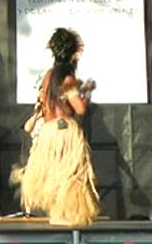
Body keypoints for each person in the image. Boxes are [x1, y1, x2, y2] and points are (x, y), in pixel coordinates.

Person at [16, 27, 100, 226]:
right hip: (65, 133)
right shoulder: (67, 78)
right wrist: (88, 92)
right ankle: (67, 218)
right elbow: (80, 109)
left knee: (54, 176)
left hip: (48, 133)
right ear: (74, 54)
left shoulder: (47, 77)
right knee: (71, 177)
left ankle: (57, 216)